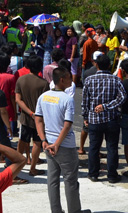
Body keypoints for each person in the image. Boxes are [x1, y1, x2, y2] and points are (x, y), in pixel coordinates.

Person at [34, 67, 85, 213]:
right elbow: (67, 124)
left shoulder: (43, 97)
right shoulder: (67, 99)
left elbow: (38, 120)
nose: (71, 80)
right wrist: (57, 144)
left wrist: (43, 140)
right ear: (62, 80)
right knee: (70, 181)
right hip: (64, 146)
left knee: (53, 180)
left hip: (48, 143)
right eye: (69, 77)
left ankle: (56, 210)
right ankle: (74, 211)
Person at [82, 53, 126, 183]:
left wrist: (85, 116)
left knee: (94, 147)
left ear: (96, 64)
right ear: (109, 65)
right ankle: (112, 175)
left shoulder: (89, 80)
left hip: (94, 120)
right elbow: (122, 97)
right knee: (112, 148)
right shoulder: (116, 80)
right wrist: (107, 106)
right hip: (111, 119)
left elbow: (85, 101)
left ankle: (93, 174)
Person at [15, 54, 47, 176]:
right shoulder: (44, 84)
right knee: (37, 143)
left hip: (25, 118)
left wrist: (29, 113)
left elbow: (18, 100)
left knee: (22, 142)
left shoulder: (21, 80)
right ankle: (33, 168)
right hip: (40, 119)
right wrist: (35, 114)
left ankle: (16, 165)